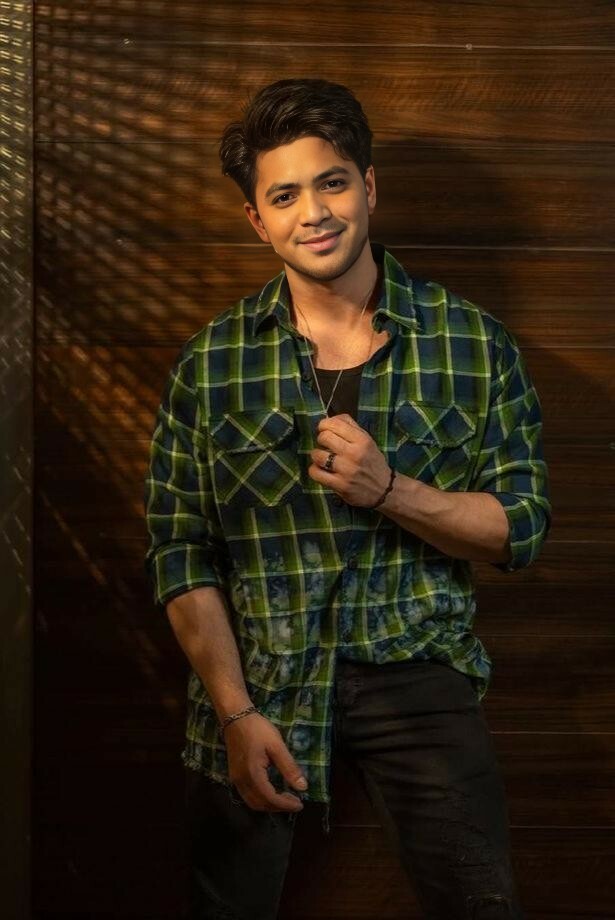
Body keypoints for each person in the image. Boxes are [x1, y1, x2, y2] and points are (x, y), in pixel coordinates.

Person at [144, 78, 551, 920]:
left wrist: (390, 489)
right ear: (256, 220)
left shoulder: (472, 344)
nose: (314, 213)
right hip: (258, 680)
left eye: (331, 183)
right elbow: (180, 553)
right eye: (284, 195)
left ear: (367, 186)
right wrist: (234, 713)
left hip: (417, 676)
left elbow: (519, 528)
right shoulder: (210, 364)